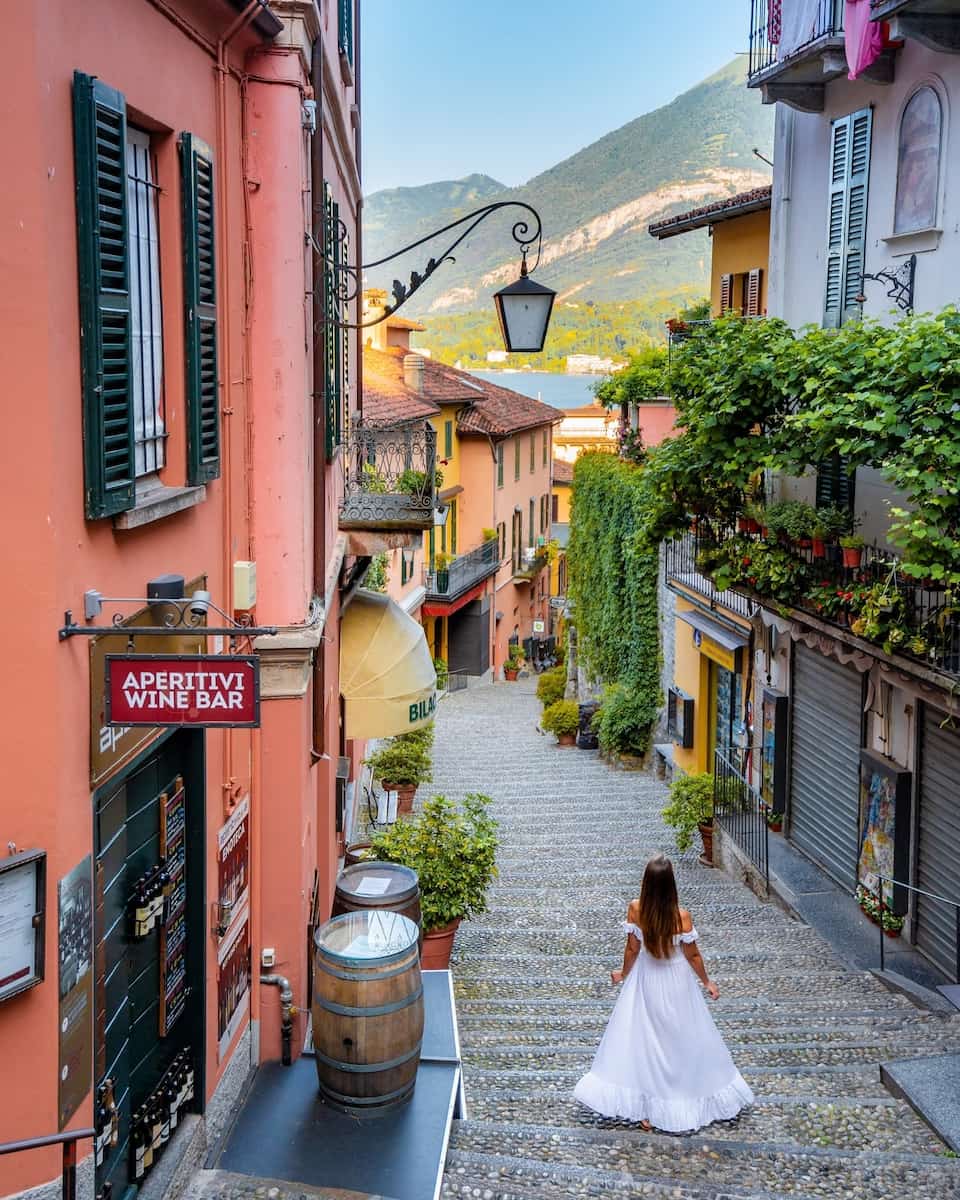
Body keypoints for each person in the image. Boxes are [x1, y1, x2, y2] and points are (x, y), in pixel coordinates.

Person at [573, 855, 753, 1133]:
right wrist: (707, 982)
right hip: (677, 982)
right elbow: (692, 954)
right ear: (671, 885)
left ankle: (647, 1109)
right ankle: (679, 1095)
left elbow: (633, 949)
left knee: (645, 1043)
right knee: (679, 1039)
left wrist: (623, 974)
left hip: (646, 979)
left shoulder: (635, 909)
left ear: (646, 883)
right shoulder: (681, 916)